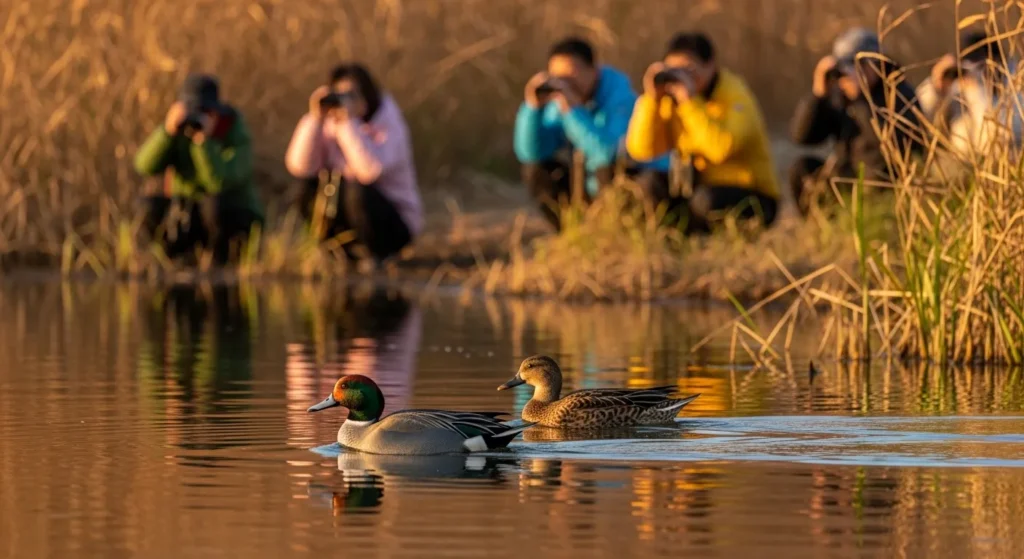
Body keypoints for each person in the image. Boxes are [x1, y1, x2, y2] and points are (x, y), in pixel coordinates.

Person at [626, 32, 780, 233]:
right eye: (675, 70)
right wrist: (651, 101)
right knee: (650, 183)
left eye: (689, 69)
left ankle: (724, 243)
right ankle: (671, 241)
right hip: (697, 189)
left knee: (705, 200)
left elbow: (720, 149)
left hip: (752, 197)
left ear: (711, 65)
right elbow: (641, 150)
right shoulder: (670, 101)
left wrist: (689, 103)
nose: (682, 77)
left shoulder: (736, 97)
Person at [514, 37, 663, 231]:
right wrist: (532, 109)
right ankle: (572, 232)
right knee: (536, 170)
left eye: (571, 74)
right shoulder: (557, 103)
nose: (565, 83)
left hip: (629, 184)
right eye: (557, 77)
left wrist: (574, 111)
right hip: (586, 188)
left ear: (594, 69)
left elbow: (607, 153)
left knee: (608, 167)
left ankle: (616, 233)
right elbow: (531, 153)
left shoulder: (621, 100)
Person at [285, 63, 423, 263]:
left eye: (352, 95)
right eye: (339, 95)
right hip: (346, 216)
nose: (345, 101)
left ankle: (379, 255)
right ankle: (339, 254)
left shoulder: (389, 124)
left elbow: (370, 171)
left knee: (356, 191)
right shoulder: (329, 123)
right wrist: (314, 119)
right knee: (304, 189)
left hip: (395, 223)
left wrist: (348, 124)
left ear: (367, 95)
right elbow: (299, 167)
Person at [788, 28, 921, 215]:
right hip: (846, 179)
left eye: (859, 64)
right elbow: (802, 137)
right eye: (846, 65)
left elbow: (893, 145)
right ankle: (822, 229)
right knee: (801, 168)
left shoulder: (898, 92)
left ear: (876, 63)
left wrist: (861, 100)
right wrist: (818, 96)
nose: (850, 72)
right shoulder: (841, 96)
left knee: (876, 177)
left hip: (883, 183)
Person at [134, 74, 264, 264]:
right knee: (147, 205)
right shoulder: (176, 133)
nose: (197, 117)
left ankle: (222, 263)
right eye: (192, 110)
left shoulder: (233, 132)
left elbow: (218, 183)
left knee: (214, 206)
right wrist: (166, 133)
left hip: (230, 215)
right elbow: (143, 166)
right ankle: (172, 260)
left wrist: (204, 144)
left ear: (217, 111)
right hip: (186, 211)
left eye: (204, 110)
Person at [915, 30, 1023, 161]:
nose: (975, 73)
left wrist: (976, 92)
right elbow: (917, 118)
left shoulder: (1015, 86)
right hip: (960, 162)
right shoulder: (958, 85)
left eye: (979, 67)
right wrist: (935, 87)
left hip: (1000, 163)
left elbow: (995, 139)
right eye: (966, 66)